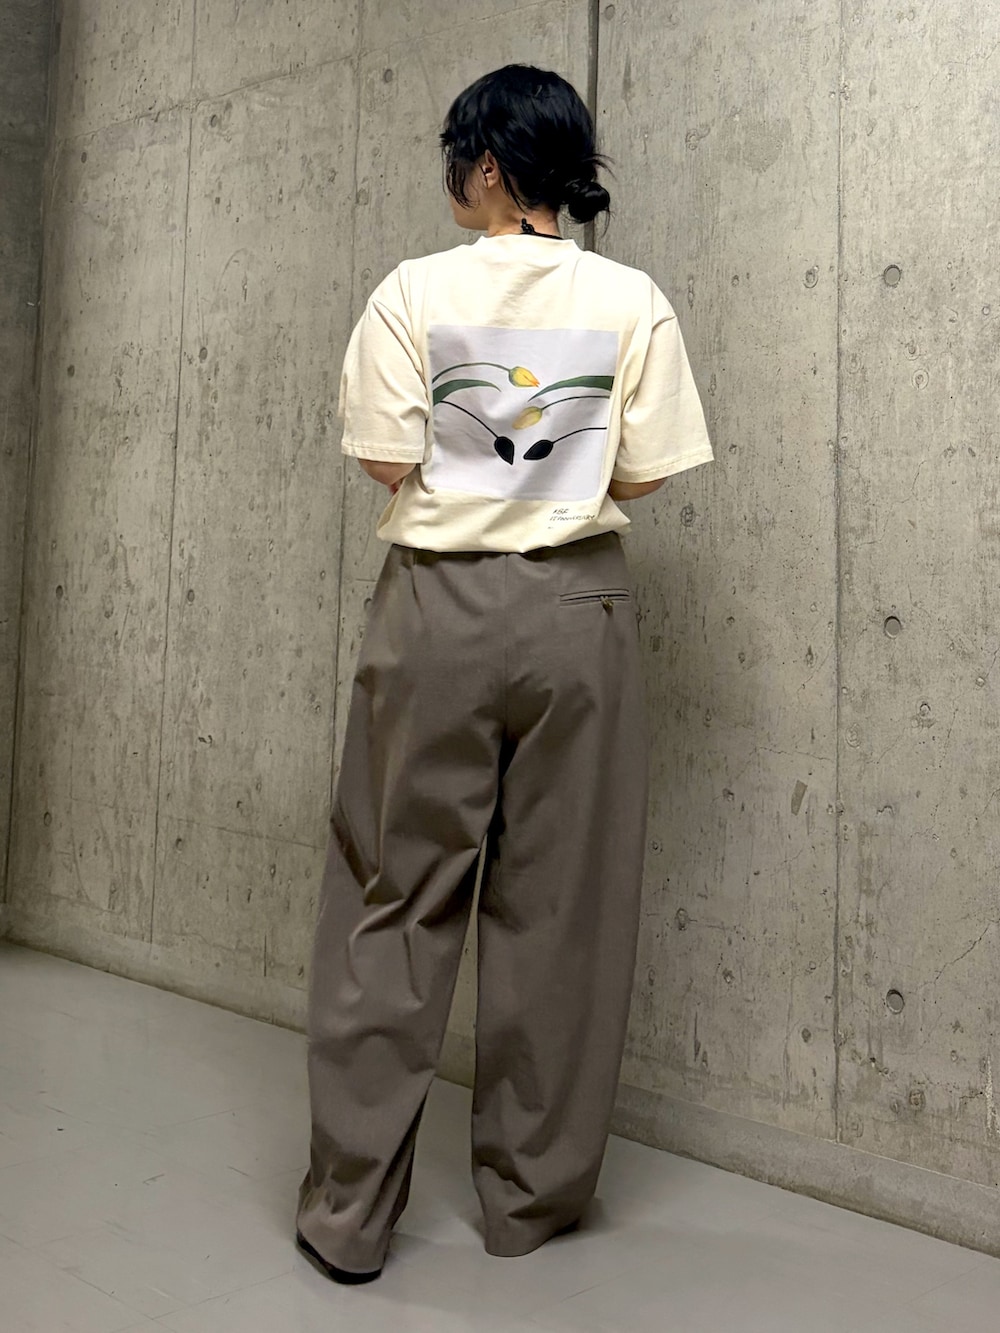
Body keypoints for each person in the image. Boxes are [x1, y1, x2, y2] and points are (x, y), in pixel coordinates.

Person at [295, 63, 713, 1285]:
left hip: (438, 606)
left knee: (394, 895)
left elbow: (387, 460)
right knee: (564, 910)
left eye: (455, 160)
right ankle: (530, 1203)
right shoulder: (630, 299)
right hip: (581, 608)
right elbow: (642, 472)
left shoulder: (413, 291)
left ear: (486, 165)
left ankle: (349, 1215)